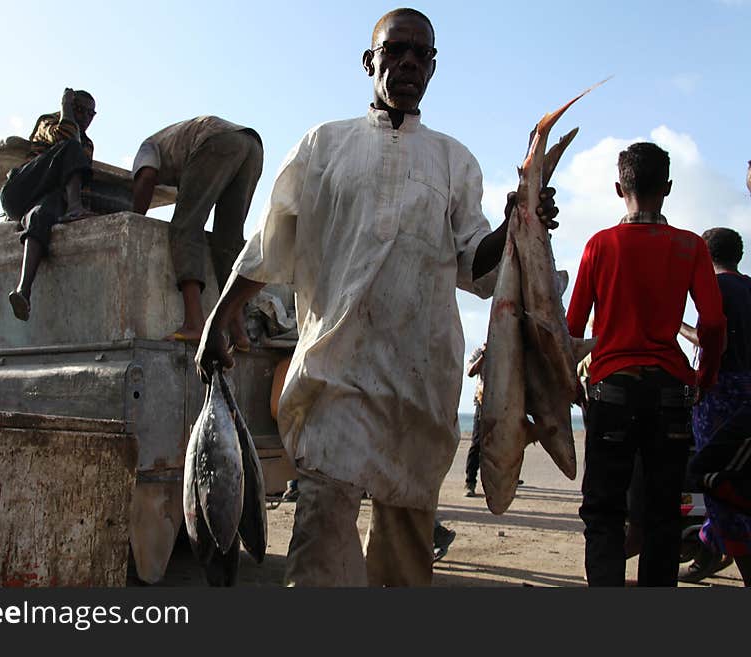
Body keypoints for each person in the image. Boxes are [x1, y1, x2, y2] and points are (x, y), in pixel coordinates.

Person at [196, 8, 558, 587]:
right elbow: (269, 243)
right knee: (320, 546)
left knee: (403, 555)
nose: (409, 62)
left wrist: (518, 223)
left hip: (420, 382)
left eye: (422, 54)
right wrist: (222, 315)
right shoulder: (323, 145)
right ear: (371, 60)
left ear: (434, 68)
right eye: (396, 50)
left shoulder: (454, 160)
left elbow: (475, 262)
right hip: (333, 375)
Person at [566, 142, 726, 587]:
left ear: (619, 188)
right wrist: (703, 378)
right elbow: (712, 322)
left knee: (603, 510)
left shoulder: (599, 246)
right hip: (672, 393)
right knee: (660, 514)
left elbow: (573, 330)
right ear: (669, 188)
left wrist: (570, 384)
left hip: (611, 390)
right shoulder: (690, 246)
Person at [131, 117, 263, 350]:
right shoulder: (180, 150)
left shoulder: (148, 146)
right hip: (251, 145)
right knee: (228, 242)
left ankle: (194, 323)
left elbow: (147, 177)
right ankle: (238, 332)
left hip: (215, 139)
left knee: (184, 227)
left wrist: (135, 219)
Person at [677, 227, 751, 586]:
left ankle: (716, 545)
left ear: (705, 257)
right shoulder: (749, 286)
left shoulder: (715, 289)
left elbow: (711, 341)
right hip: (748, 394)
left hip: (719, 392)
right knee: (739, 481)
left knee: (713, 477)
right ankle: (708, 549)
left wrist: (678, 325)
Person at [0, 88, 96, 321]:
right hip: (21, 189)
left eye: (88, 113)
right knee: (71, 148)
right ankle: (74, 207)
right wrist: (65, 108)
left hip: (40, 199)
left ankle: (23, 290)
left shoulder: (87, 144)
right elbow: (66, 137)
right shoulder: (49, 121)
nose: (83, 117)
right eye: (78, 109)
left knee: (41, 217)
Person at [464, 344, 486, 497]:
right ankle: (470, 481)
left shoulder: (505, 349)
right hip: (483, 400)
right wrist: (484, 356)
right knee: (477, 443)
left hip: (503, 402)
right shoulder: (479, 350)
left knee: (501, 443)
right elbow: (470, 372)